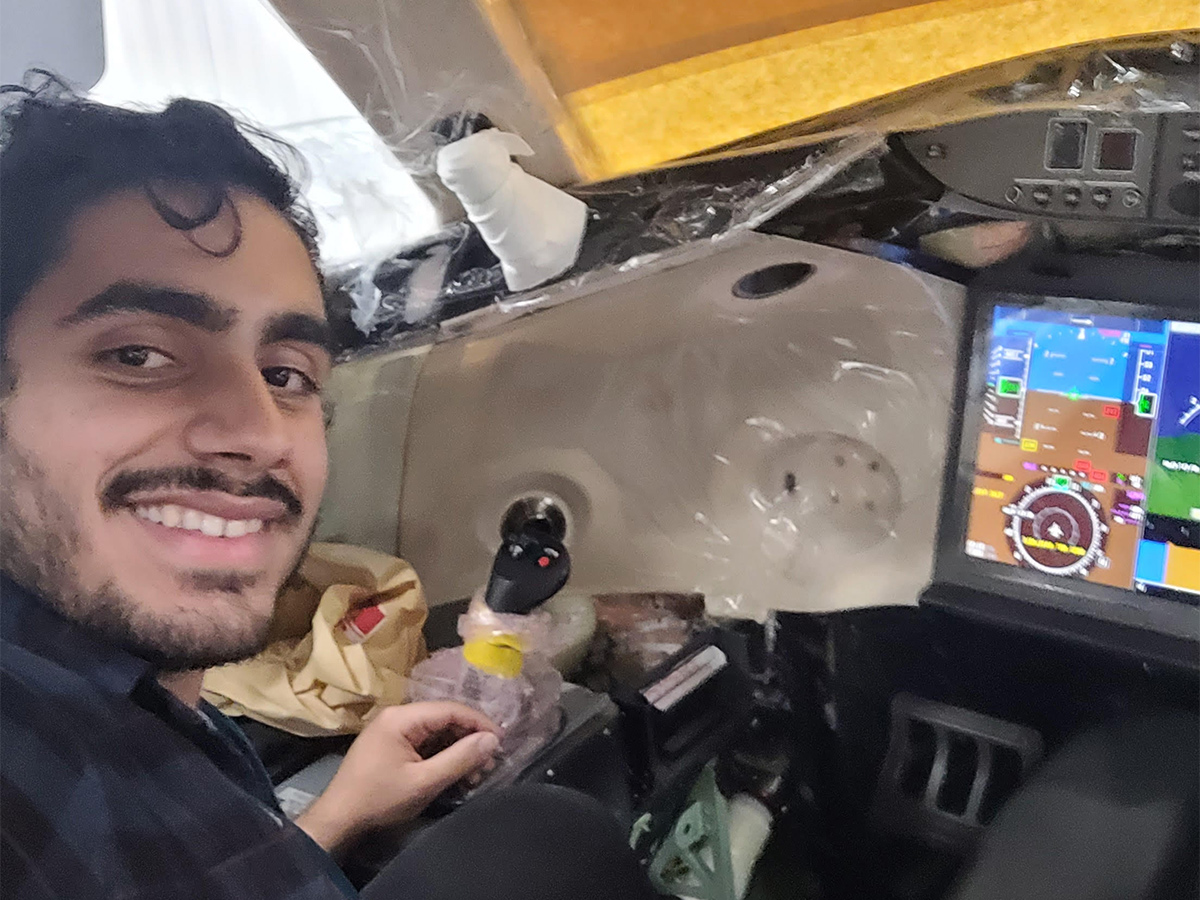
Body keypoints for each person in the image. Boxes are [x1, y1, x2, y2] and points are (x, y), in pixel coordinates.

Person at [0, 83, 656, 900]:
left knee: (542, 833)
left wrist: (335, 817)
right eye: (138, 354)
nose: (262, 431)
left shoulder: (149, 699)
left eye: (286, 373)